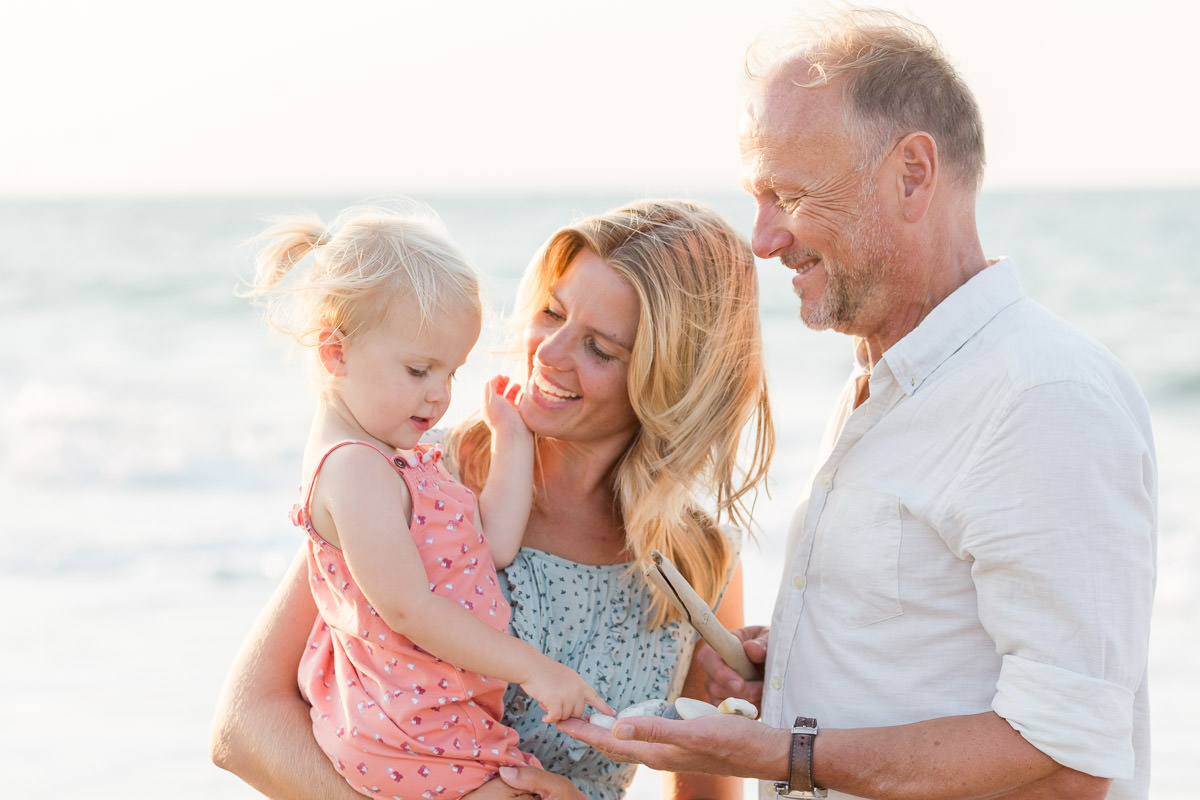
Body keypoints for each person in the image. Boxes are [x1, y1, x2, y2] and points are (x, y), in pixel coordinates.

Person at [561, 9, 1157, 800]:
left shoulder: (1041, 401)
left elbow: (1063, 755)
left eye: (789, 194)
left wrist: (776, 754)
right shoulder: (884, 384)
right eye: (756, 197)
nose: (763, 238)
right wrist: (806, 669)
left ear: (911, 174)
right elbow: (941, 655)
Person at [211, 199, 776, 800]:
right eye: (551, 312)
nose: (548, 353)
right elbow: (245, 725)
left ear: (674, 381)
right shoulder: (422, 475)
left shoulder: (696, 560)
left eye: (600, 349)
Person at [241, 204, 615, 799]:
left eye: (451, 372)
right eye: (419, 370)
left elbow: (492, 545)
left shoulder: (399, 460)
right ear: (335, 353)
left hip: (435, 718)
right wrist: (532, 667)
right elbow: (410, 609)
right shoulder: (355, 471)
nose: (440, 396)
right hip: (405, 731)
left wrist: (512, 441)